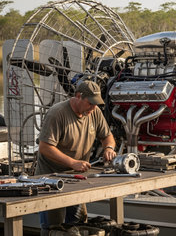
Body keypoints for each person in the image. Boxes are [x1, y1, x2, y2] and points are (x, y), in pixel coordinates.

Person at [35, 80, 116, 235]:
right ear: (78, 96)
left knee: (79, 224)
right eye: (90, 103)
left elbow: (108, 136)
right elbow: (44, 147)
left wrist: (109, 148)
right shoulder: (57, 113)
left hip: (76, 179)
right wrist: (73, 163)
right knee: (53, 228)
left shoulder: (95, 112)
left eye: (96, 104)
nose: (93, 107)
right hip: (50, 180)